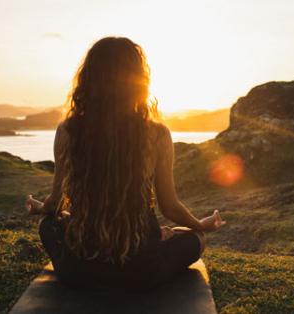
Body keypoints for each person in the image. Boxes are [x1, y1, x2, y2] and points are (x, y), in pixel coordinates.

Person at [24, 36, 226, 291]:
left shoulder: (68, 131)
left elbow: (55, 205)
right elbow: (170, 207)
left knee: (48, 224)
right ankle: (157, 237)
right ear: (138, 82)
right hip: (143, 270)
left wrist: (41, 208)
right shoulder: (157, 134)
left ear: (89, 79)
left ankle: (154, 237)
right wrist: (201, 225)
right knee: (196, 239)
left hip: (80, 269)